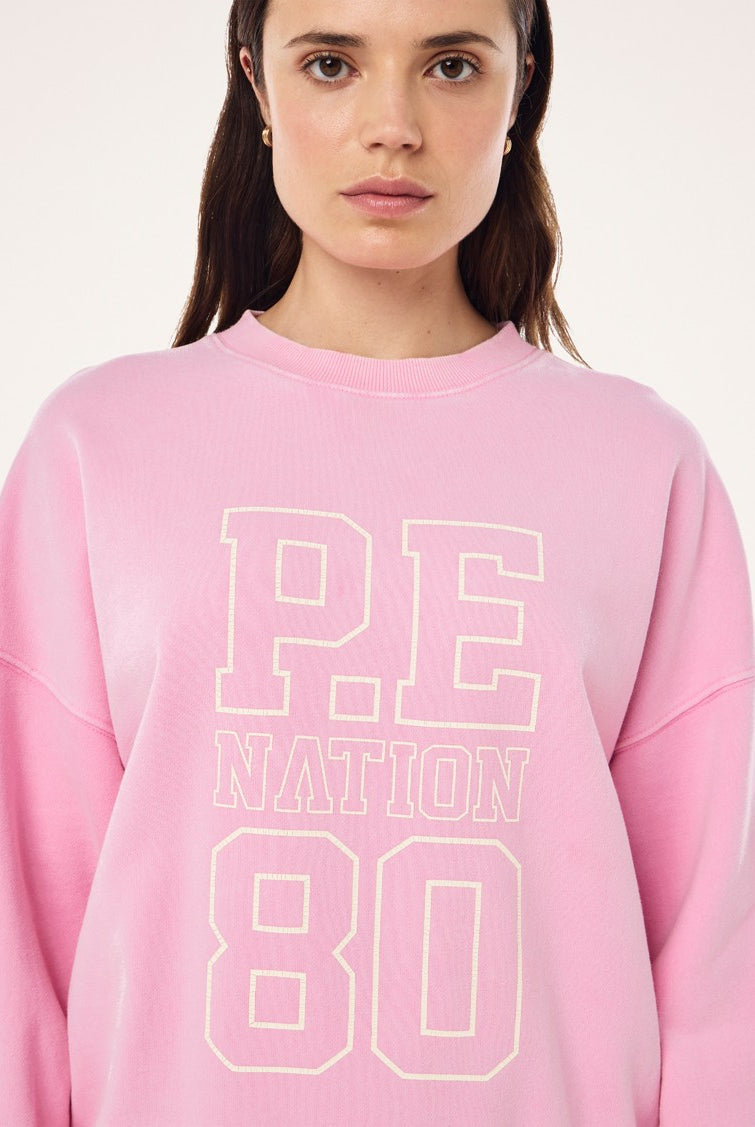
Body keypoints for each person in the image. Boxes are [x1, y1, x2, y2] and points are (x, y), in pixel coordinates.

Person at [0, 0, 753, 1123]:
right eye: (330, 63)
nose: (391, 124)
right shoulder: (96, 448)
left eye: (450, 66)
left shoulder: (643, 463)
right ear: (257, 84)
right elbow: (23, 933)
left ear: (520, 87)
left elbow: (714, 952)